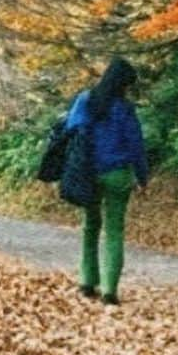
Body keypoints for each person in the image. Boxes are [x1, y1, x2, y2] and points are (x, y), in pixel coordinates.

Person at [65, 56, 148, 306]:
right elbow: (136, 146)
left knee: (90, 226)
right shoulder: (124, 108)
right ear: (124, 83)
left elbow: (71, 129)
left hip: (88, 171)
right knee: (114, 231)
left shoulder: (85, 100)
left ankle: (87, 282)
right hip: (118, 174)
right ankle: (110, 291)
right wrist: (142, 176)